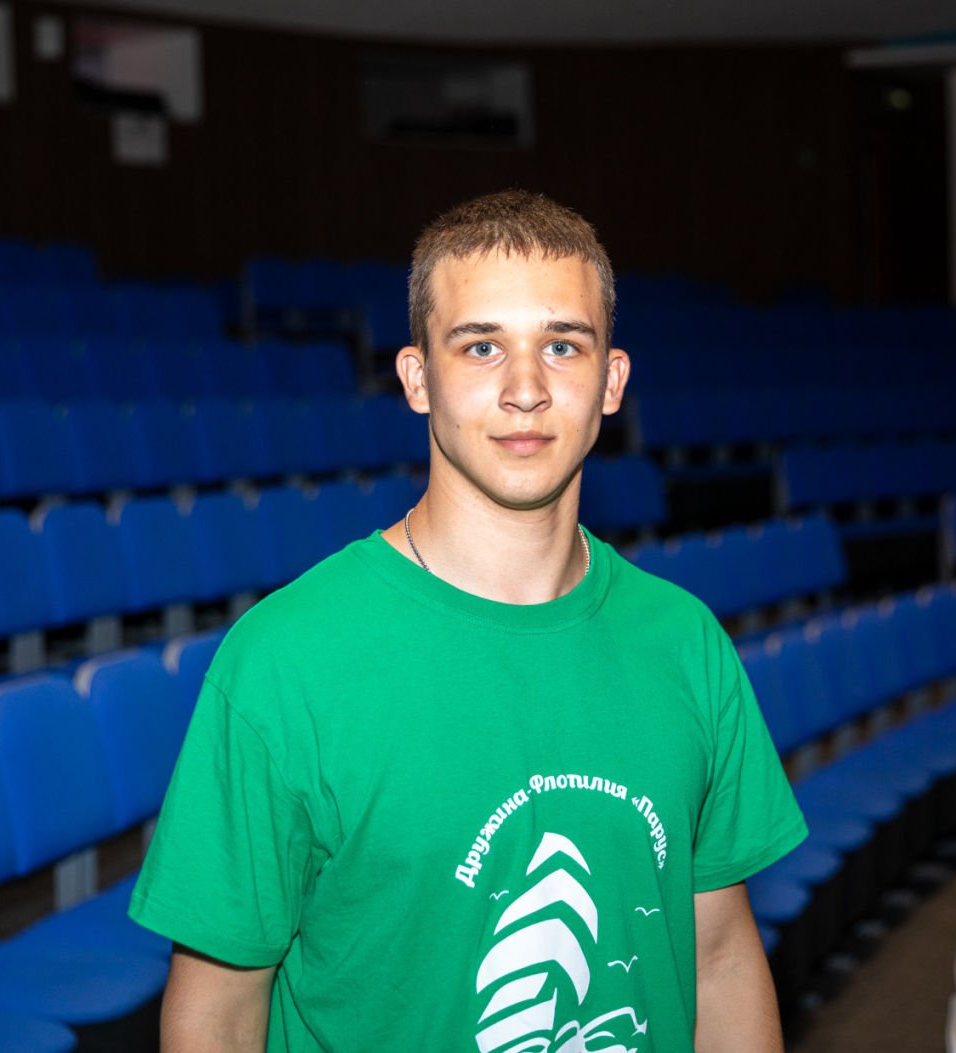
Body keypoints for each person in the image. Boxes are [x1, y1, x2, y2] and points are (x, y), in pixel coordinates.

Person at [130, 189, 807, 1051]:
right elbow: (216, 1018)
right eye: (481, 346)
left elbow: (717, 957)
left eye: (562, 345)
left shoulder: (686, 643)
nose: (525, 389)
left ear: (612, 380)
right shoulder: (284, 663)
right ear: (418, 378)